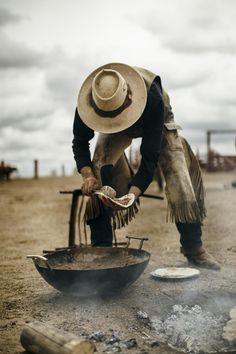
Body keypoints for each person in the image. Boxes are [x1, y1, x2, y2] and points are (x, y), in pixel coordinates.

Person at [72, 62, 220, 270]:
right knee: (98, 166)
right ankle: (102, 250)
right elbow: (79, 142)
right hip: (112, 126)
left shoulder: (153, 98)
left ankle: (193, 248)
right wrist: (88, 176)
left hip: (158, 121)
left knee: (179, 176)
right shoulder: (88, 101)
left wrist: (132, 195)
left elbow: (149, 157)